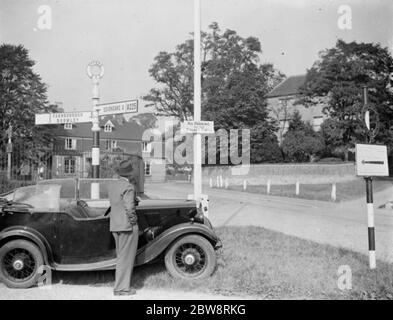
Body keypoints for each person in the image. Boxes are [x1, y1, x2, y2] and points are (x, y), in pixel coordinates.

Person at [108, 160, 139, 296]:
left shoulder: (112, 186)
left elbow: (118, 203)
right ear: (130, 174)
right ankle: (121, 289)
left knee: (121, 257)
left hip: (115, 225)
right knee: (126, 258)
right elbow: (129, 208)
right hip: (127, 226)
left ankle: (119, 286)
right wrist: (134, 222)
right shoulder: (129, 187)